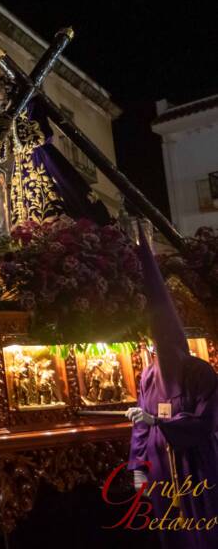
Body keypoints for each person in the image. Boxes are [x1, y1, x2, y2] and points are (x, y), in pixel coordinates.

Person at [125, 229, 218, 548]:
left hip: (196, 467)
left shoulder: (198, 372)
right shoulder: (147, 376)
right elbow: (140, 427)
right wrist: (138, 469)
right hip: (161, 471)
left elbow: (206, 422)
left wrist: (160, 423)